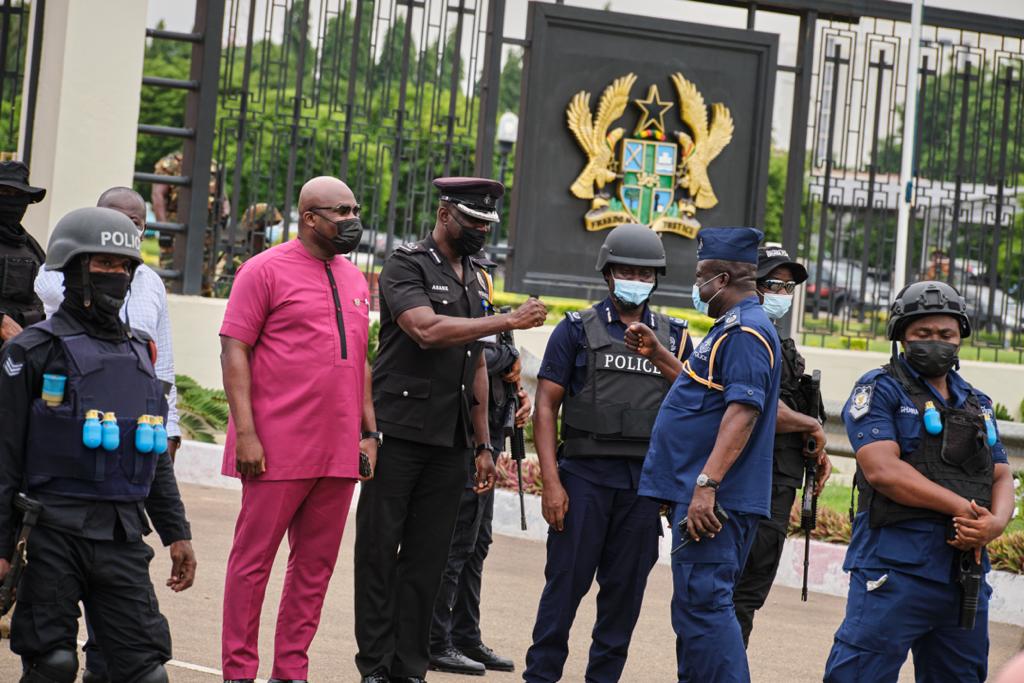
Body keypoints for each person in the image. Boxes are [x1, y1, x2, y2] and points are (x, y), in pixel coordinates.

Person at [353, 177, 547, 683]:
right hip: (398, 431)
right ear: (445, 214)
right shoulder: (406, 264)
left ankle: (409, 668)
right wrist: (506, 320)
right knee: (379, 553)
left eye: (487, 225)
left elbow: (477, 363)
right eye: (472, 222)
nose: (480, 231)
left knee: (428, 561)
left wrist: (484, 442)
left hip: (451, 441)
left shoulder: (474, 277)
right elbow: (425, 329)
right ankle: (374, 666)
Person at [0, 206, 196, 683]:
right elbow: (4, 455)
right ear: (72, 269)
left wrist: (177, 531)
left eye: (124, 266)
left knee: (145, 673)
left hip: (121, 534)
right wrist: (3, 545)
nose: (116, 275)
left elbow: (150, 450)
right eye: (103, 264)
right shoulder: (31, 350)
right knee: (54, 664)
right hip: (49, 532)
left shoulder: (138, 353)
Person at [219, 176, 375, 683]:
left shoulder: (355, 279)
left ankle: (291, 672)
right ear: (310, 217)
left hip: (337, 452)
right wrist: (246, 433)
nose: (351, 220)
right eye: (340, 212)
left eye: (355, 210)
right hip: (276, 447)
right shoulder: (261, 270)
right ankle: (239, 672)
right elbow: (234, 348)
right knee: (253, 564)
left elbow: (361, 360)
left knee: (314, 571)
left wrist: (369, 431)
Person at [522, 223, 693, 683]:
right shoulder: (576, 330)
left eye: (645, 272)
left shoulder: (674, 338)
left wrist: (671, 489)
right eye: (626, 270)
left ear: (656, 279)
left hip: (642, 488)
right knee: (563, 591)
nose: (635, 278)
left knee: (623, 601)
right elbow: (545, 405)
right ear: (608, 273)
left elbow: (689, 408)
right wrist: (551, 483)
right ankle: (540, 677)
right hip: (583, 481)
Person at [823, 280, 1016, 683]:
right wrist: (962, 508)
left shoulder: (976, 402)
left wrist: (994, 524)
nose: (936, 343)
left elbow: (1001, 474)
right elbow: (882, 470)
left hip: (963, 575)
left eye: (946, 334)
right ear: (902, 336)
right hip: (895, 570)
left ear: (960, 337)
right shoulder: (880, 389)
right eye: (923, 334)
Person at [638, 226, 781, 683]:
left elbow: (743, 413)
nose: (696, 284)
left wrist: (705, 485)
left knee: (705, 607)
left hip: (718, 503)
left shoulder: (744, 332)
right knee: (696, 614)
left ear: (720, 279)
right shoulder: (731, 330)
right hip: (709, 498)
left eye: (701, 275)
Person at [428, 256, 525, 676]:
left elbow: (494, 347)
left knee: (477, 544)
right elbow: (474, 350)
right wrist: (509, 360)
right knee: (456, 543)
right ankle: (436, 640)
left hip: (492, 431)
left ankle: (465, 636)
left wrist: (516, 391)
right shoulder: (447, 285)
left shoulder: (480, 282)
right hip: (466, 434)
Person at [732, 245, 832, 644]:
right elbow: (753, 407)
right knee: (729, 594)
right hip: (743, 482)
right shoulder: (743, 334)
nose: (781, 293)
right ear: (750, 284)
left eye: (788, 287)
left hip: (780, 482)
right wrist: (810, 424)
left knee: (751, 592)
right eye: (773, 283)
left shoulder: (784, 347)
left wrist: (815, 445)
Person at [35, 187, 181, 459]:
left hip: (134, 417)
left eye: (133, 222)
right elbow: (51, 290)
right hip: (74, 407)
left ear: (144, 227)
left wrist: (169, 426)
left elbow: (162, 364)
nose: (124, 227)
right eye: (114, 218)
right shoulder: (66, 270)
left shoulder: (152, 284)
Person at [151, 150, 230, 292]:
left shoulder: (211, 165)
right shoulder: (171, 163)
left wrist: (225, 212)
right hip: (176, 229)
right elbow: (158, 195)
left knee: (203, 281)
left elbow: (222, 196)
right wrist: (164, 228)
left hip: (205, 232)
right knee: (171, 276)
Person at [0, 161, 46, 348]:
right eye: (4, 193)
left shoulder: (31, 246)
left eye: (18, 195)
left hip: (25, 350)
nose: (12, 200)